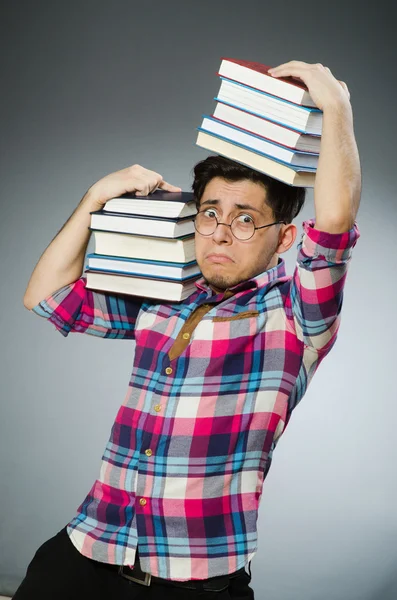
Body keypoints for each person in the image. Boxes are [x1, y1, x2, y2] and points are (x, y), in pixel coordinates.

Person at [16, 61, 361, 600]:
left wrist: (335, 108)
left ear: (286, 236)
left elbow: (336, 224)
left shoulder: (296, 315)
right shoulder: (166, 296)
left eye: (245, 219)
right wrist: (95, 199)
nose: (220, 233)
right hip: (87, 554)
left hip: (196, 584)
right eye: (209, 214)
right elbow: (46, 296)